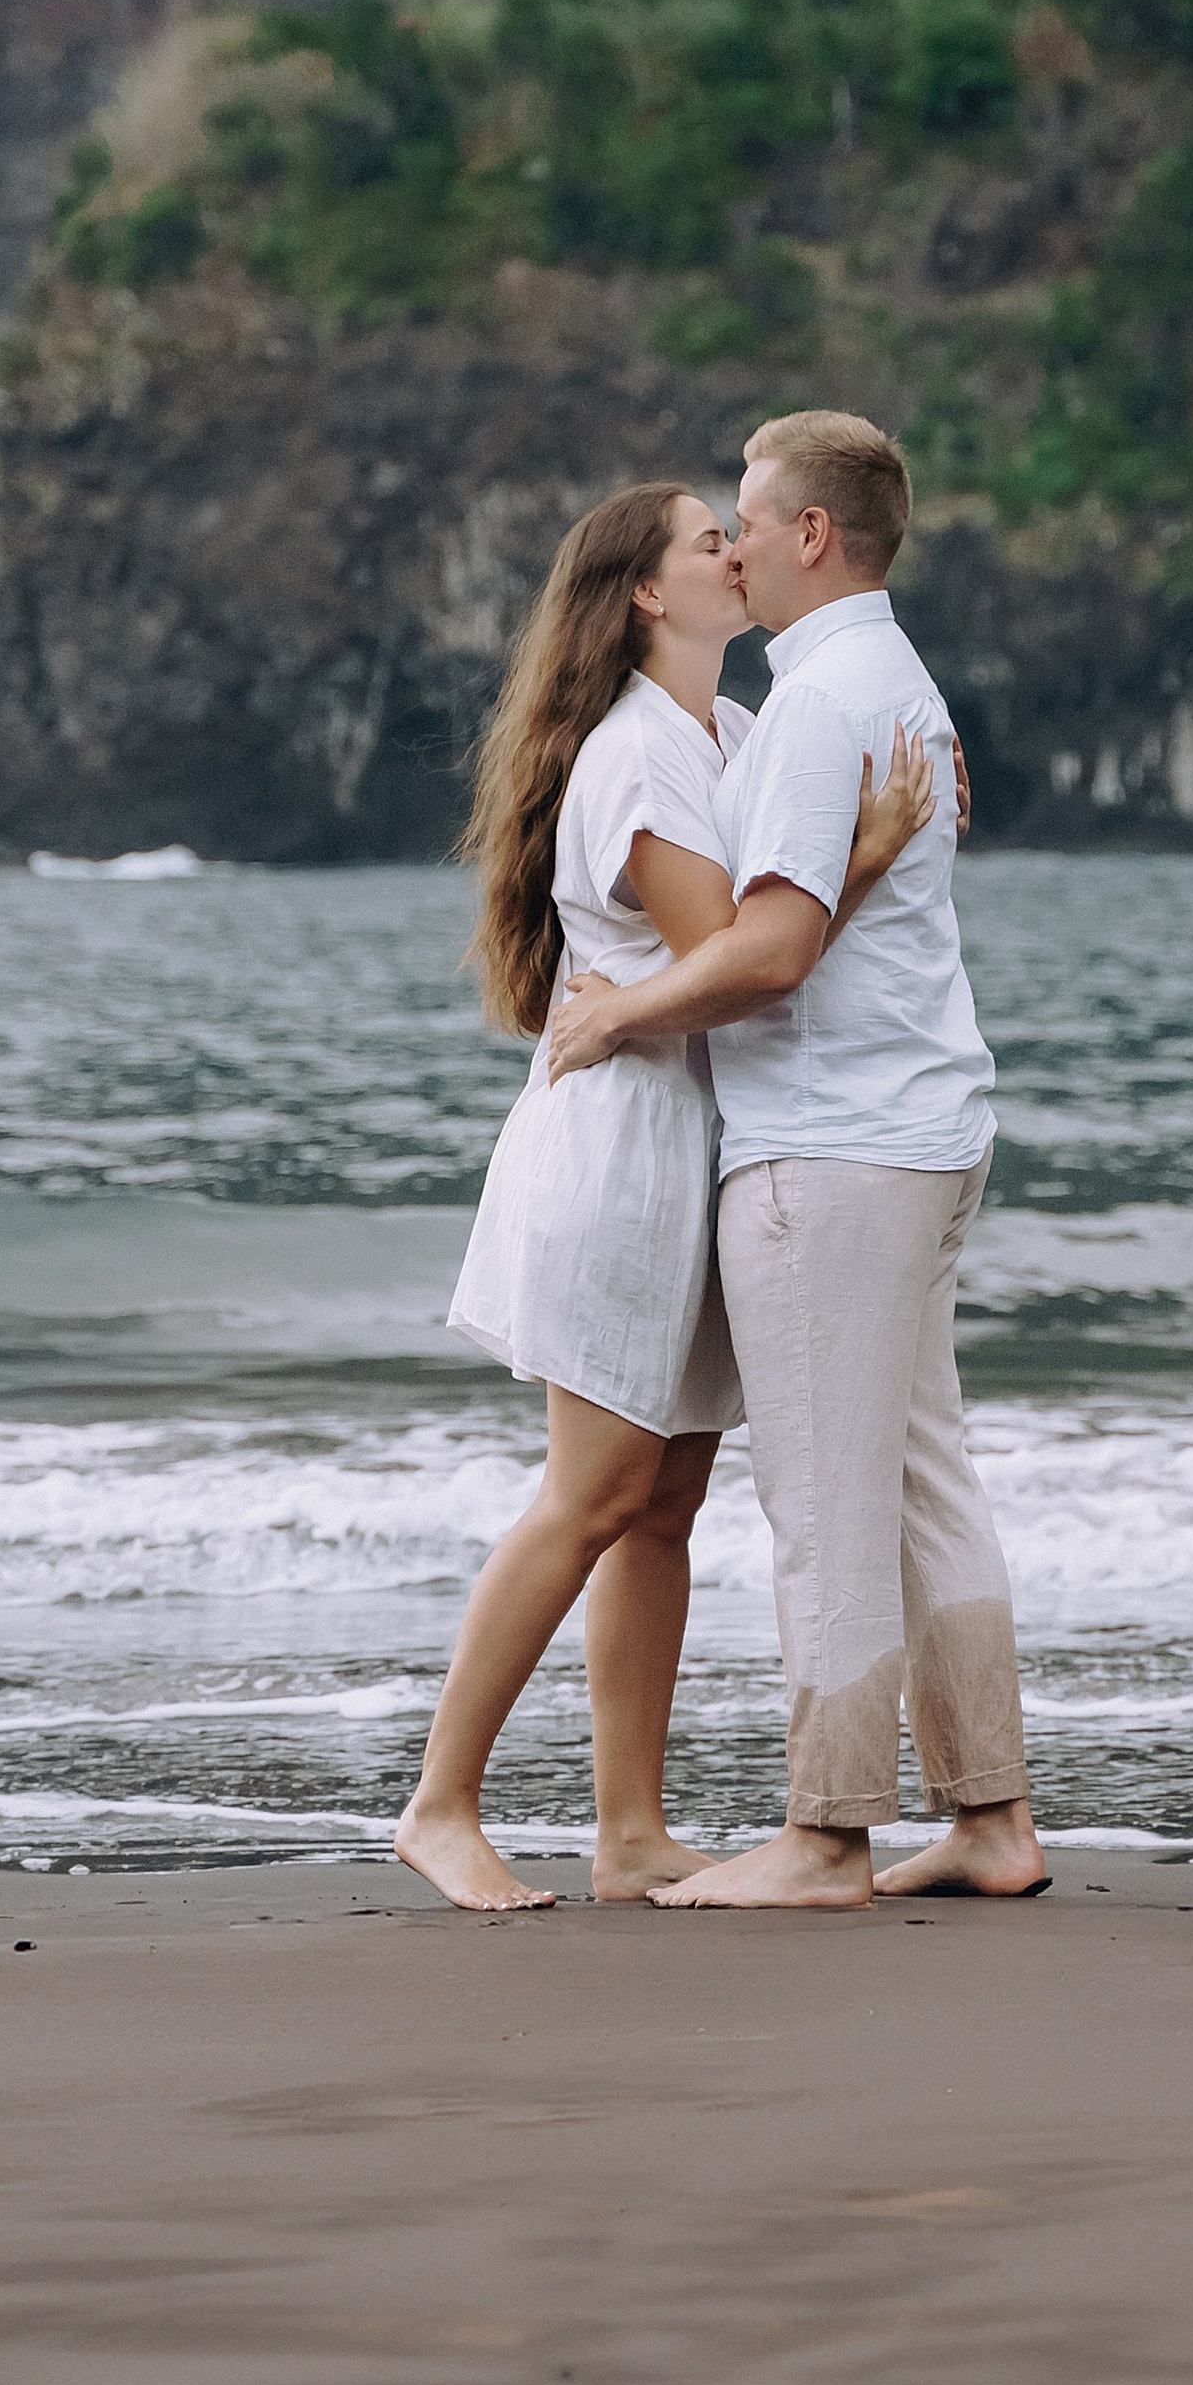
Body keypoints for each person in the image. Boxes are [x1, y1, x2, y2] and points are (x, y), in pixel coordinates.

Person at [396, 479, 934, 1913]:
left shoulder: (733, 733)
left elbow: (757, 938)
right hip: (621, 1154)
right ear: (646, 591)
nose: (738, 552)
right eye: (711, 541)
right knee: (591, 1496)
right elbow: (741, 957)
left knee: (663, 1503)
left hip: (698, 1143)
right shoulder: (636, 753)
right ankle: (439, 1805)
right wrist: (869, 853)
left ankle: (629, 1829)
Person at [546, 411, 1048, 1908]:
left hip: (831, 1147)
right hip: (922, 1129)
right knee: (923, 1481)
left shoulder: (820, 703)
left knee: (826, 1503)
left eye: (751, 523)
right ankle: (991, 1819)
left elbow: (769, 951)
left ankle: (828, 1835)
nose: (739, 548)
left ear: (812, 534)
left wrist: (616, 1011)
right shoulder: (885, 684)